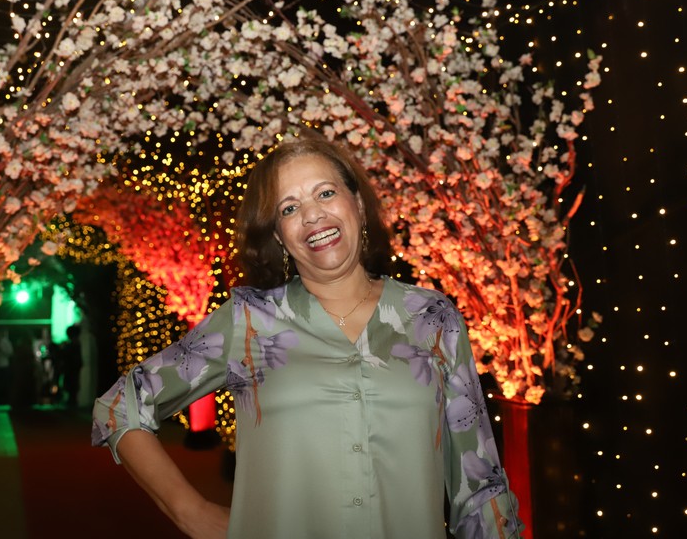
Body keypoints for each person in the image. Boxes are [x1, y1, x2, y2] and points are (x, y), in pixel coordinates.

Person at [92, 137, 522, 538]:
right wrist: (193, 511)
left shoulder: (432, 318)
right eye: (289, 208)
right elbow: (119, 406)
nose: (313, 215)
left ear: (357, 203)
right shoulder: (249, 322)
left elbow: (479, 485)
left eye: (325, 193)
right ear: (279, 235)